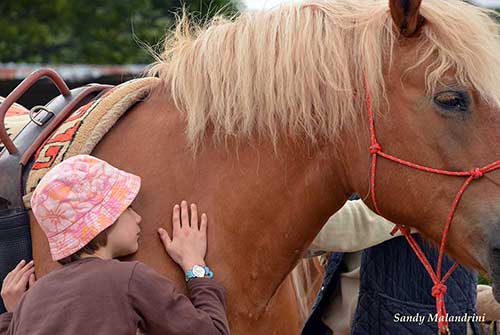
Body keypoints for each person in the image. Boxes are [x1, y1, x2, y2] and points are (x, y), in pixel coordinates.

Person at [0, 154, 229, 335]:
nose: (138, 218)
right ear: (103, 220)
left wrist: (14, 315)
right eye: (127, 208)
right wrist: (195, 265)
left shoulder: (33, 298)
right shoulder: (128, 278)